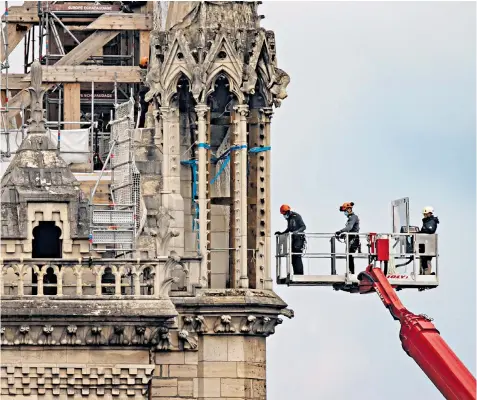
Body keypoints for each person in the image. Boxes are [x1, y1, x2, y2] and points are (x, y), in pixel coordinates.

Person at [274, 204, 306, 275]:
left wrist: (297, 231)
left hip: (299, 239)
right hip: (294, 239)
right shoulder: (289, 219)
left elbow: (303, 227)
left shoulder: (296, 216)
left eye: (284, 214)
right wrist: (281, 233)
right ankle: (296, 273)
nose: (284, 216)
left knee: (297, 256)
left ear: (288, 212)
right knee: (292, 256)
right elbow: (289, 229)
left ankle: (300, 274)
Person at [335, 202, 360, 274]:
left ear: (349, 209)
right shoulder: (351, 218)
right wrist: (342, 235)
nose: (344, 212)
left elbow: (349, 227)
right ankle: (350, 271)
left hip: (354, 239)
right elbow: (349, 229)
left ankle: (351, 272)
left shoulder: (353, 217)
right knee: (349, 256)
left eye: (345, 211)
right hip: (351, 238)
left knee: (350, 256)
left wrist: (340, 231)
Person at [419, 206, 439, 275]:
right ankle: (425, 272)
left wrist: (421, 231)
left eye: (425, 214)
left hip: (428, 244)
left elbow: (430, 230)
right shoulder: (427, 221)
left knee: (426, 258)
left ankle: (427, 273)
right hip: (425, 243)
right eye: (424, 214)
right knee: (424, 258)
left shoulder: (432, 221)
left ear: (429, 213)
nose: (424, 215)